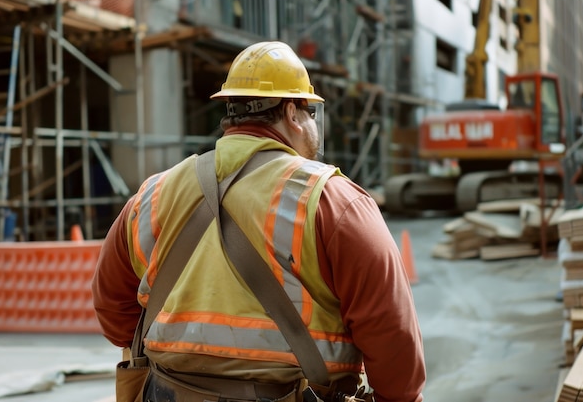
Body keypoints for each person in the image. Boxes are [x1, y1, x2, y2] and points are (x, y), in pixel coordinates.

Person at [92, 41, 425, 402]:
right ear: (293, 112)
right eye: (311, 111)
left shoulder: (152, 194)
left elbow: (112, 308)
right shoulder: (331, 200)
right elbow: (393, 339)